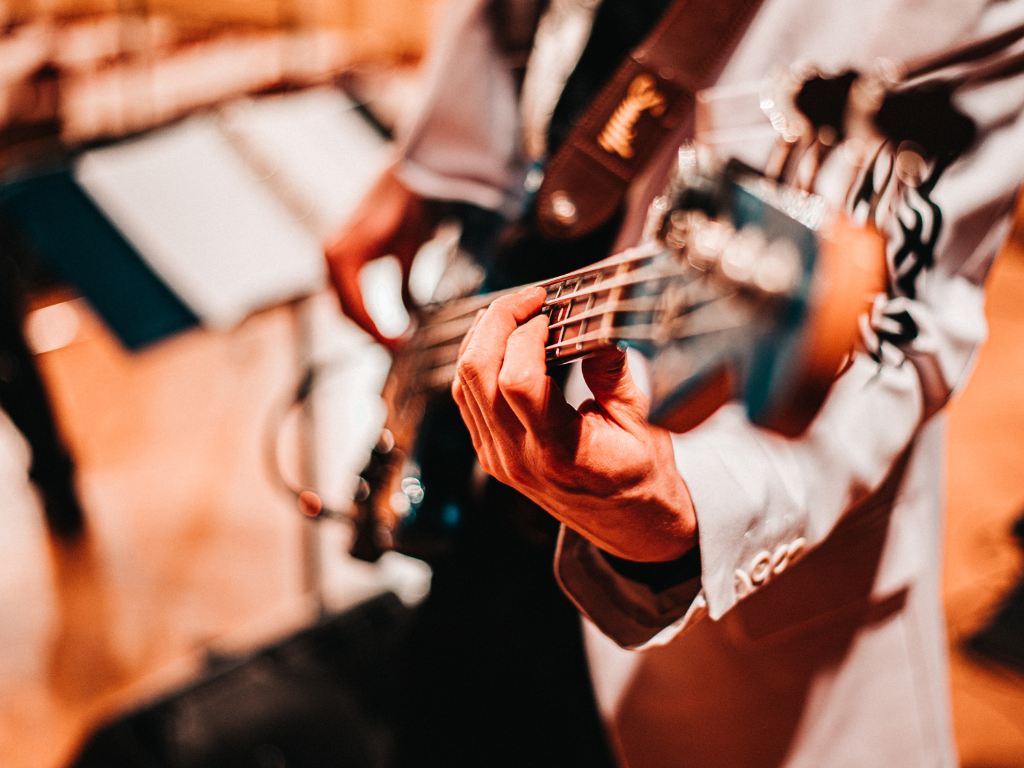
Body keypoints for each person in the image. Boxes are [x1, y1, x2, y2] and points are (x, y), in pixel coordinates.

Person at [326, 0, 1024, 765]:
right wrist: (433, 164)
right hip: (490, 502)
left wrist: (676, 499)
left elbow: (903, 313)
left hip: (702, 597)